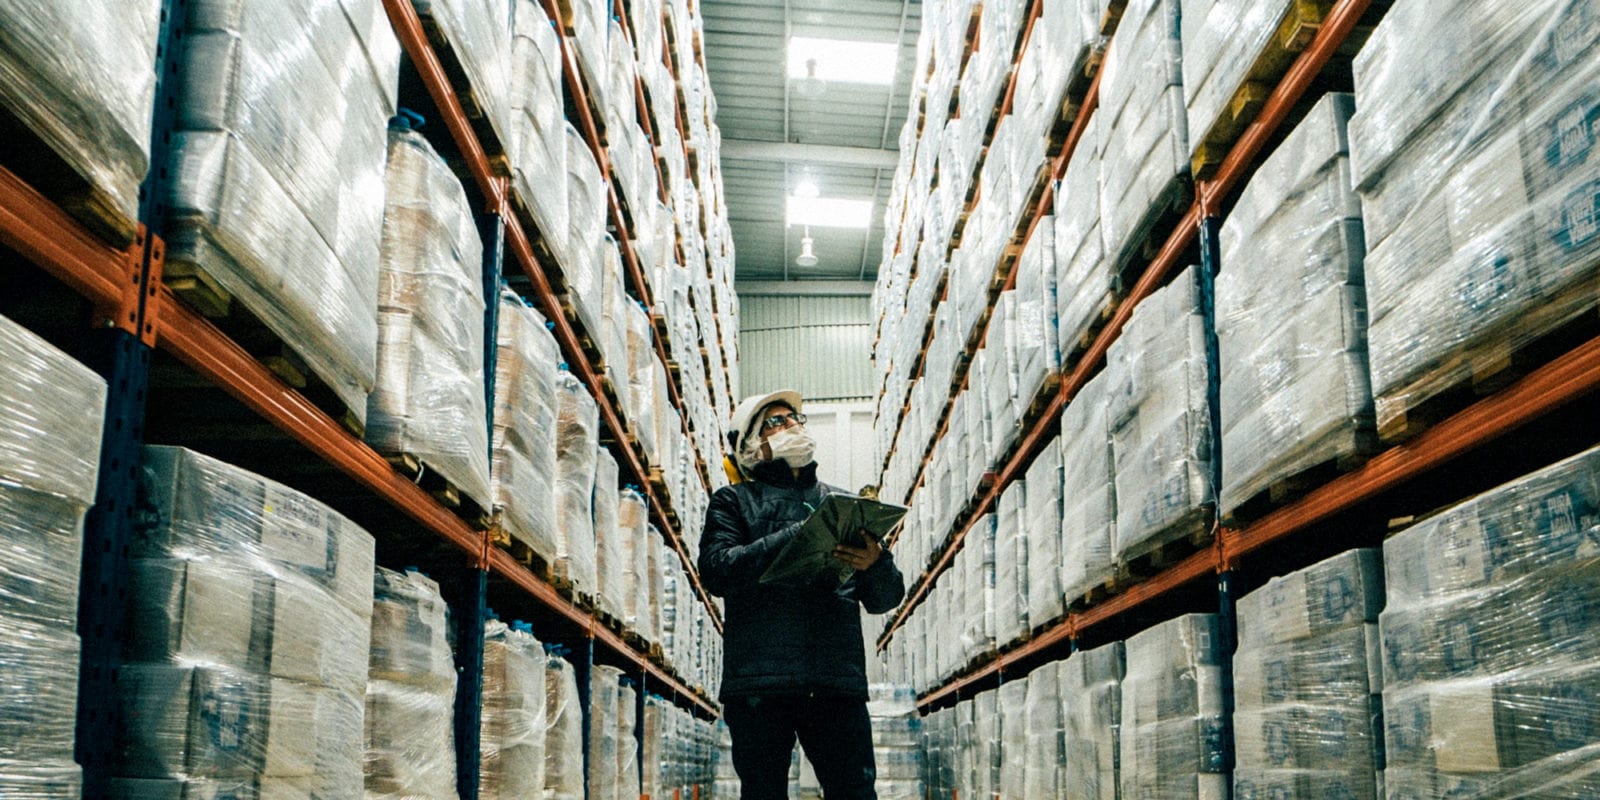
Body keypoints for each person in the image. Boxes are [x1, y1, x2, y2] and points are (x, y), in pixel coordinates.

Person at [698, 389, 907, 800]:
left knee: (855, 793)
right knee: (763, 793)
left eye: (795, 418)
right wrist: (798, 535)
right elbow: (718, 570)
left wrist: (876, 563)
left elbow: (885, 598)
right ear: (750, 446)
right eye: (776, 422)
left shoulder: (841, 504)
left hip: (834, 680)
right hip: (762, 682)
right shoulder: (733, 502)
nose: (792, 425)